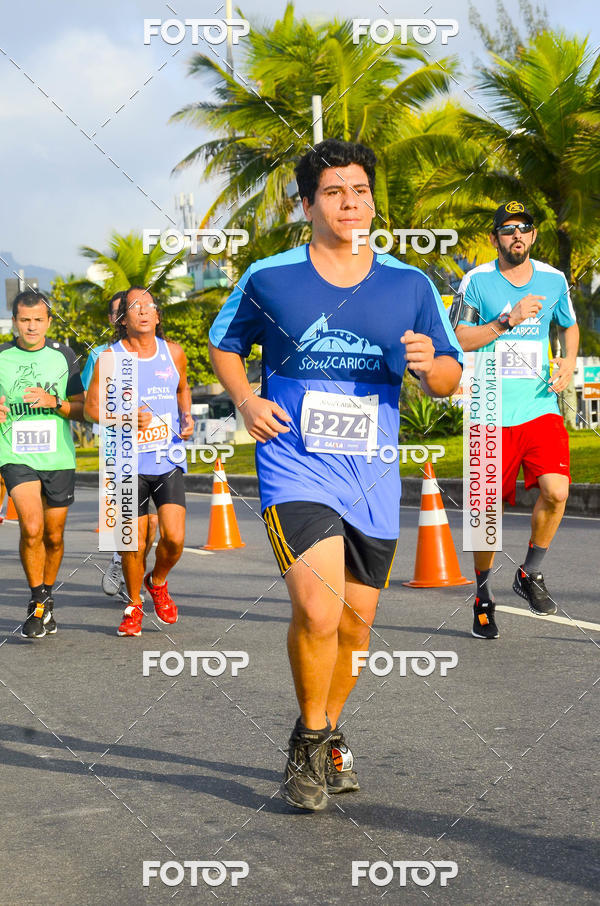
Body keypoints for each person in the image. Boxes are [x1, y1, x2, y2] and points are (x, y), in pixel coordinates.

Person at [208, 138, 463, 811]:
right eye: (333, 193)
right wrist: (245, 400)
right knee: (317, 609)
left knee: (355, 625)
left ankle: (322, 727)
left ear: (373, 200)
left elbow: (449, 377)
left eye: (359, 191)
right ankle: (311, 740)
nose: (349, 204)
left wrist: (425, 363)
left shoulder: (410, 284)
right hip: (295, 463)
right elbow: (223, 342)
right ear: (307, 204)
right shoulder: (270, 277)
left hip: (373, 474)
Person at [454, 201, 579, 639]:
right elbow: (461, 339)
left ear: (534, 235)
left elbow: (568, 325)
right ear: (495, 239)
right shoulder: (477, 282)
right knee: (486, 514)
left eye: (524, 228)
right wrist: (507, 319)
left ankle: (529, 573)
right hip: (489, 408)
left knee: (557, 490)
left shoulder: (553, 279)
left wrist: (569, 361)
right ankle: (484, 596)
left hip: (539, 404)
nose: (517, 236)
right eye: (507, 230)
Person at [84, 286, 193, 636]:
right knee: (133, 541)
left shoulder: (173, 353)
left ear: (157, 315)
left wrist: (186, 416)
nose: (144, 310)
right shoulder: (109, 359)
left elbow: (182, 390)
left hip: (167, 457)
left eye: (149, 306)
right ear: (123, 318)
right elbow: (90, 409)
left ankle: (157, 580)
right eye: (135, 306)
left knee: (173, 539)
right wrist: (124, 418)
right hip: (126, 463)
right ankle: (134, 605)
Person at [0, 290, 85, 638]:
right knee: (31, 528)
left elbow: (83, 410)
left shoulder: (64, 355)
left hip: (58, 456)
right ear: (14, 322)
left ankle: (47, 596)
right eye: (24, 320)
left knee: (53, 535)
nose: (31, 327)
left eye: (37, 320)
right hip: (15, 454)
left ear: (49, 321)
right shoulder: (1, 356)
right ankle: (37, 601)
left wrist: (55, 402)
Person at [81, 291, 158, 601]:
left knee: (152, 522)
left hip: (156, 448)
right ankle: (120, 562)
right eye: (117, 312)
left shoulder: (154, 349)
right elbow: (91, 404)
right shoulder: (101, 355)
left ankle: (131, 565)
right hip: (117, 449)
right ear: (114, 319)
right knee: (128, 518)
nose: (121, 316)